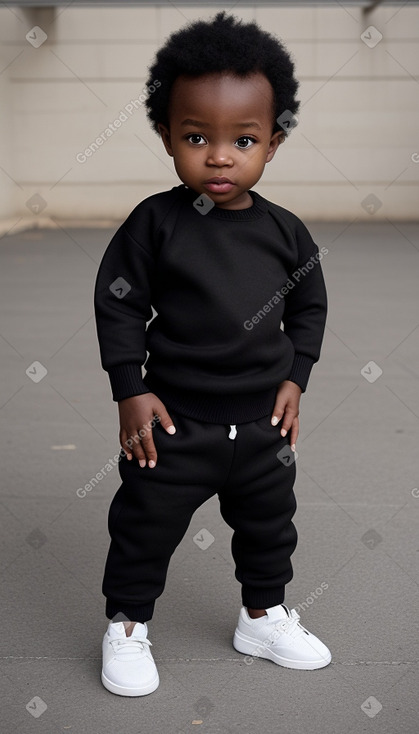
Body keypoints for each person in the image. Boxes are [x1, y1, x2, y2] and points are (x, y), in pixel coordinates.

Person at [94, 11, 331, 697]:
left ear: (272, 144)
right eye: (196, 136)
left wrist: (297, 377)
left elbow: (309, 307)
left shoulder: (284, 233)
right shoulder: (154, 224)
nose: (218, 155)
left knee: (268, 529)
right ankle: (128, 625)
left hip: (261, 427)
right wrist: (127, 387)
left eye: (242, 139)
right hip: (172, 425)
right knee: (143, 527)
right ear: (167, 136)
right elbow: (118, 304)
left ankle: (261, 616)